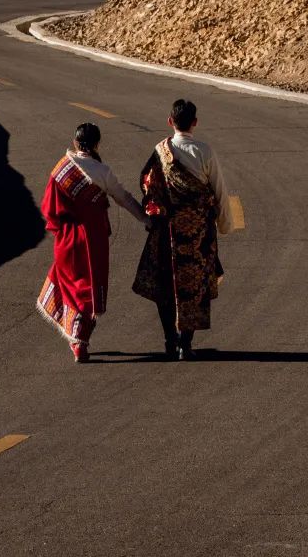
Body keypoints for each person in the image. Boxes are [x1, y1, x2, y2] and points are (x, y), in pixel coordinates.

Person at [37, 122, 144, 363]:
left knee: (70, 287)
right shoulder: (102, 171)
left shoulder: (61, 169)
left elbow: (49, 209)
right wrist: (145, 220)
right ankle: (79, 341)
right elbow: (123, 198)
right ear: (97, 144)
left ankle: (75, 338)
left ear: (75, 142)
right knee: (88, 291)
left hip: (66, 240)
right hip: (93, 240)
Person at [133, 97, 231, 360]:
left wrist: (152, 215)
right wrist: (224, 223)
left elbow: (147, 185)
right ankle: (184, 345)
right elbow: (219, 190)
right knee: (194, 286)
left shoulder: (160, 151)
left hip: (168, 231)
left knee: (166, 285)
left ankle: (169, 339)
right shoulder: (204, 151)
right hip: (198, 233)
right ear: (195, 123)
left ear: (170, 122)